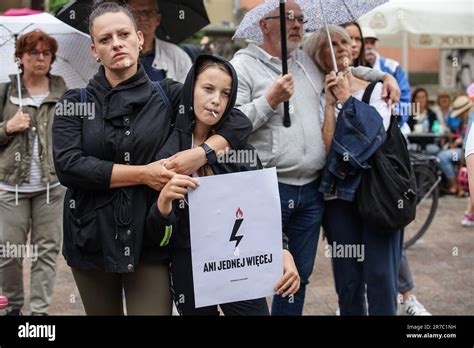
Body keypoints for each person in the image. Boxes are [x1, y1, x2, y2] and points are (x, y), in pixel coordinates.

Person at [52, 2, 252, 315]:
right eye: (105, 39)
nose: (116, 43)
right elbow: (69, 166)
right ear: (94, 51)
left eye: (123, 34)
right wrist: (144, 173)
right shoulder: (74, 102)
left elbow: (237, 120)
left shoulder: (169, 95)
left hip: (148, 240)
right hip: (91, 237)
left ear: (140, 39)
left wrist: (199, 153)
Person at [231, 0, 401, 316]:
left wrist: (383, 76)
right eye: (288, 18)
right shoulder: (242, 66)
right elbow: (233, 123)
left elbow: (343, 64)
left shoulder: (305, 62)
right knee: (253, 277)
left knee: (298, 279)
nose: (298, 24)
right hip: (268, 188)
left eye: (301, 18)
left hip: (311, 192)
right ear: (264, 25)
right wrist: (270, 99)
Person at [147, 54, 300, 315]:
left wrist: (283, 251)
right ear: (190, 89)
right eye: (208, 89)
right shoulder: (167, 152)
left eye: (226, 93)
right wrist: (163, 205)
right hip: (189, 267)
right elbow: (159, 238)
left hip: (239, 263)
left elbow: (262, 211)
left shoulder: (240, 149)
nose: (216, 100)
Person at [339, 23, 431, 316]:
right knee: (349, 277)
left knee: (382, 270)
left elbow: (384, 125)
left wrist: (349, 100)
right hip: (340, 195)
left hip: (379, 183)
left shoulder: (382, 80)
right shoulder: (324, 80)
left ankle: (407, 295)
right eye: (343, 40)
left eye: (356, 40)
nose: (351, 46)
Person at [0, 30, 67, 316]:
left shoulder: (62, 89)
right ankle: (13, 307)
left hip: (52, 187)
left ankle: (39, 312)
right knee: (8, 254)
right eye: (32, 53)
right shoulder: (6, 90)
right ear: (20, 58)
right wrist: (7, 127)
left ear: (52, 59)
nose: (39, 58)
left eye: (45, 53)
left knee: (46, 252)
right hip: (11, 187)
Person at [126, 0, 192, 82]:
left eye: (148, 12)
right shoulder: (115, 54)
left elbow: (187, 92)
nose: (143, 18)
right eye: (135, 13)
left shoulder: (178, 57)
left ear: (158, 19)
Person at [363, 27, 411, 128]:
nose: (369, 47)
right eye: (365, 43)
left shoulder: (392, 67)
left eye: (372, 43)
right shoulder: (353, 69)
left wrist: (395, 120)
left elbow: (405, 98)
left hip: (393, 128)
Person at [437, 95, 472, 195]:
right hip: (463, 150)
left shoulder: (470, 120)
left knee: (442, 157)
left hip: (466, 151)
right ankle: (457, 186)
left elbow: (467, 141)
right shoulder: (463, 122)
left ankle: (456, 185)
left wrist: (459, 142)